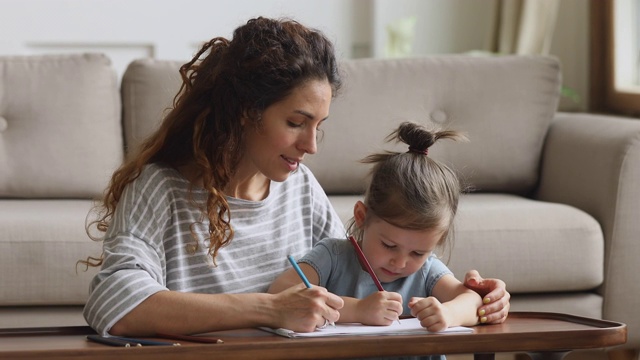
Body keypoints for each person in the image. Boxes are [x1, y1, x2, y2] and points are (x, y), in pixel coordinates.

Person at [79, 16, 509, 337]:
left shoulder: (298, 186)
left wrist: (476, 298)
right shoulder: (160, 189)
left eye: (318, 126)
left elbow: (361, 268)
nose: (311, 146)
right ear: (246, 113)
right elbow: (115, 304)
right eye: (296, 122)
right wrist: (269, 309)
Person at [270, 121, 488, 339]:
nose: (400, 263)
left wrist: (448, 314)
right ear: (362, 217)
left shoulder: (427, 271)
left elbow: (474, 301)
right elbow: (279, 292)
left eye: (418, 253)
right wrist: (358, 310)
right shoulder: (333, 256)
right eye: (389, 245)